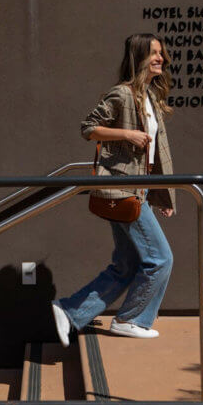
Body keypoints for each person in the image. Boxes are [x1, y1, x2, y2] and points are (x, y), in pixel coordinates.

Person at [51, 33, 176, 346]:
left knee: (126, 265)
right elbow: (88, 128)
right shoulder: (122, 94)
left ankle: (69, 311)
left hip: (141, 187)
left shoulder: (150, 97)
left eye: (161, 53)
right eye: (154, 53)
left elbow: (157, 153)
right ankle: (131, 319)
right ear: (139, 58)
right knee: (160, 259)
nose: (160, 58)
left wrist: (162, 195)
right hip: (124, 188)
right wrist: (127, 135)